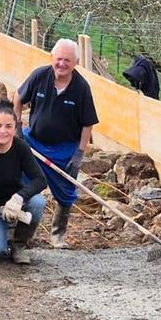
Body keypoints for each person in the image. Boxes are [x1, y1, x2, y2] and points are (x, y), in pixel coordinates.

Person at [15, 38, 99, 249]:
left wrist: (79, 153)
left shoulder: (81, 88)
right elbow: (17, 98)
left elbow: (88, 123)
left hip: (64, 149)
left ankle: (58, 235)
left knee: (66, 191)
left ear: (76, 63)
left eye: (67, 61)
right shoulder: (39, 76)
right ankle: (21, 234)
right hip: (34, 142)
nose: (62, 64)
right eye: (59, 59)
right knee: (22, 184)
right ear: (52, 57)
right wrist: (17, 130)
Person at [0, 102, 48, 264]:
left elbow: (40, 180)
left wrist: (19, 197)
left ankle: (19, 244)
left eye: (8, 126)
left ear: (15, 128)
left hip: (13, 202)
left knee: (38, 202)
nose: (3, 131)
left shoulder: (21, 147)